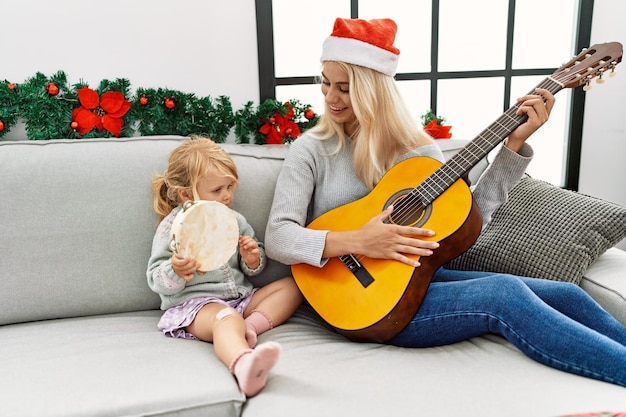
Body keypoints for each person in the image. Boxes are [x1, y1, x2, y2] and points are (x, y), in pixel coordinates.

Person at [265, 17, 626, 387]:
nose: (329, 97)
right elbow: (278, 237)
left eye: (343, 88)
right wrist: (358, 240)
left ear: (373, 91)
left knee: (566, 294)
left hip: (417, 278)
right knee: (503, 294)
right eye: (325, 83)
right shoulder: (310, 150)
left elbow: (468, 220)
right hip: (357, 302)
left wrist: (512, 146)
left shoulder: (419, 153)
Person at [147, 136, 303, 397]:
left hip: (241, 299)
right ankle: (242, 363)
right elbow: (155, 278)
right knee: (225, 318)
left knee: (294, 285)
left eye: (230, 187)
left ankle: (249, 329)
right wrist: (176, 271)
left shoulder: (235, 220)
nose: (227, 196)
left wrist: (252, 258)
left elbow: (253, 267)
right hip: (198, 308)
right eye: (217, 190)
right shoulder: (173, 227)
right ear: (186, 194)